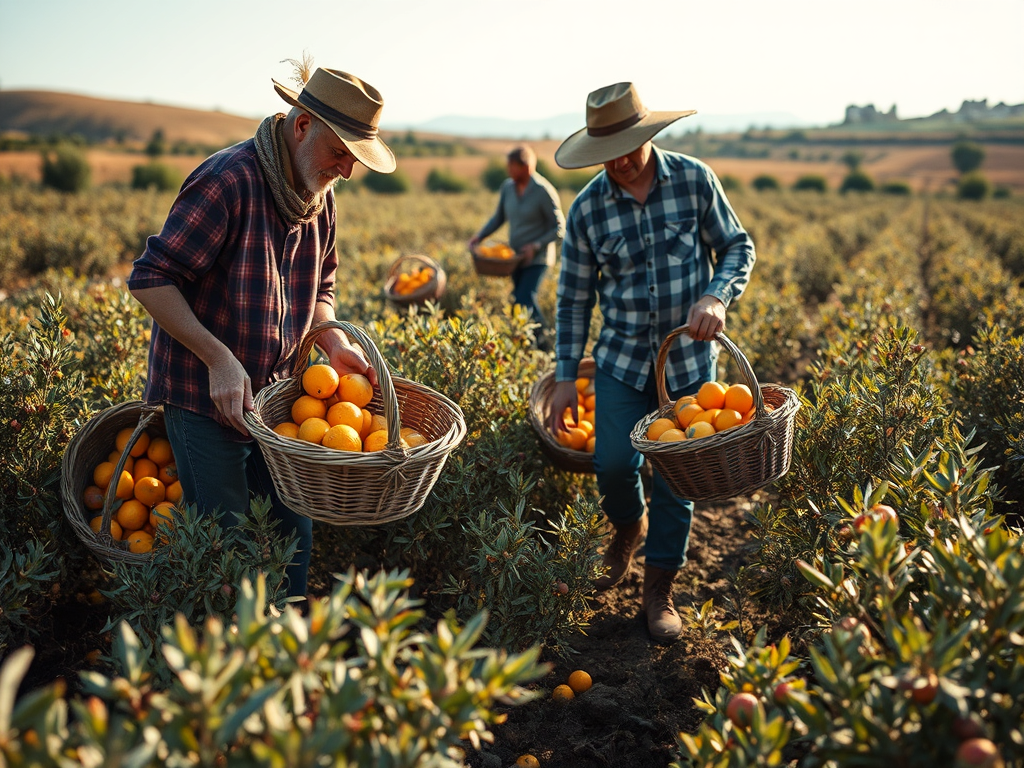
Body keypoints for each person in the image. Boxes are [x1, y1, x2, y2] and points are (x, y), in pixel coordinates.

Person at [128, 66, 394, 605]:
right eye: (341, 152)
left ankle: (288, 659)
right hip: (204, 399)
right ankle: (226, 668)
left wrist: (331, 340)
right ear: (301, 126)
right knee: (225, 545)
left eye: (355, 159)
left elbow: (323, 282)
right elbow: (152, 278)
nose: (346, 170)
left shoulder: (318, 197)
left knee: (292, 534)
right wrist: (217, 358)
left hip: (277, 402)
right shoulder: (229, 181)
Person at [548, 82, 756, 642]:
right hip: (619, 361)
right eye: (606, 151)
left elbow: (737, 245)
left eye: (629, 146)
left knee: (676, 480)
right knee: (614, 464)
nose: (619, 161)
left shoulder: (693, 180)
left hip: (688, 365)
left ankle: (658, 588)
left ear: (649, 135)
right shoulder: (589, 206)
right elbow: (573, 298)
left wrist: (716, 296)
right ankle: (626, 527)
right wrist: (567, 375)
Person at [468, 145, 565, 347]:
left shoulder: (542, 191)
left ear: (526, 167)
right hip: (515, 258)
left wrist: (536, 246)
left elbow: (559, 227)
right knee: (519, 301)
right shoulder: (508, 188)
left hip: (538, 259)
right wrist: (480, 236)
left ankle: (545, 343)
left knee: (524, 297)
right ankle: (530, 342)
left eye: (512, 167)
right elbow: (499, 217)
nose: (509, 171)